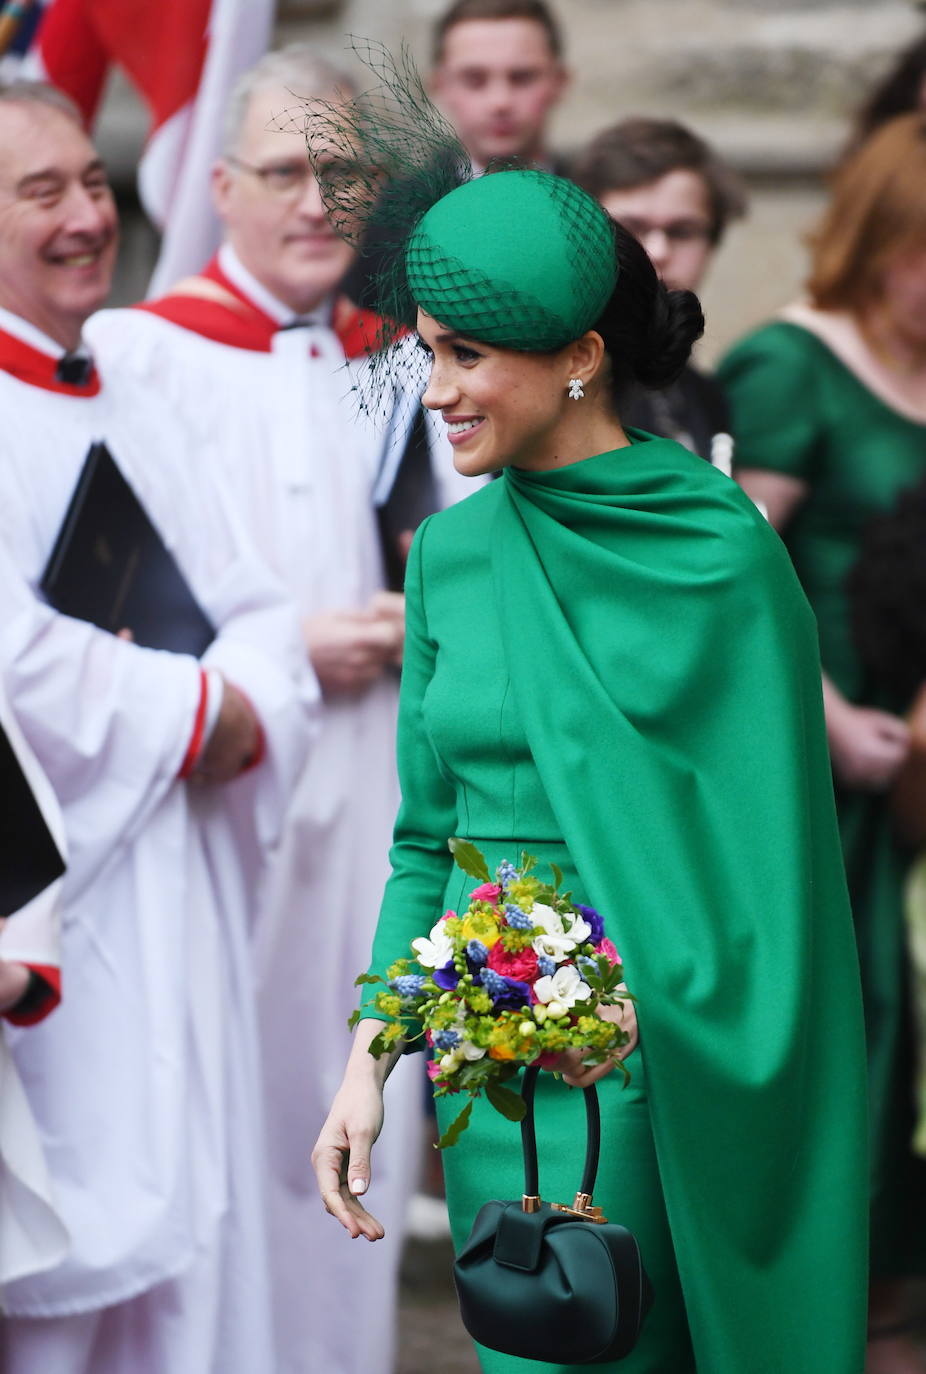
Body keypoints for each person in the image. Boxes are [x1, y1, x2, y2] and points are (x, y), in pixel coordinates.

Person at [307, 53, 868, 1374]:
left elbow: (767, 871)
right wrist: (369, 1058)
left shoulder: (715, 549)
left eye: (466, 355)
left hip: (668, 1076)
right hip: (489, 1061)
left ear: (578, 356)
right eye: (424, 353)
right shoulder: (448, 552)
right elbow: (424, 840)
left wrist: (619, 1003)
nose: (433, 389)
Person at [88, 44, 475, 1374]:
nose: (316, 202)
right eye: (285, 172)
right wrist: (289, 646)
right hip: (208, 795)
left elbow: (472, 551)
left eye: (345, 174)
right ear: (222, 184)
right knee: (212, 1095)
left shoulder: (402, 362)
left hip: (375, 793)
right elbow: (90, 593)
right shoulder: (138, 351)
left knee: (359, 1094)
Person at [0, 80, 314, 1373]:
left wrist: (240, 701)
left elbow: (261, 610)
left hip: (175, 881)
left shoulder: (129, 388)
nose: (88, 218)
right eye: (42, 194)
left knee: (195, 1238)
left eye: (94, 183)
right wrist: (205, 709)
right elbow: (11, 663)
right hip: (56, 895)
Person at [718, 110, 926, 1374]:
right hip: (823, 782)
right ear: (878, 240)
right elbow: (729, 589)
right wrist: (823, 714)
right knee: (853, 1052)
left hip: (916, 782)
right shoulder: (793, 367)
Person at [572, 116, 746, 465]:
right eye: (631, 228)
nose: (657, 252)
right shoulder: (552, 379)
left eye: (682, 232)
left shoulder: (707, 394)